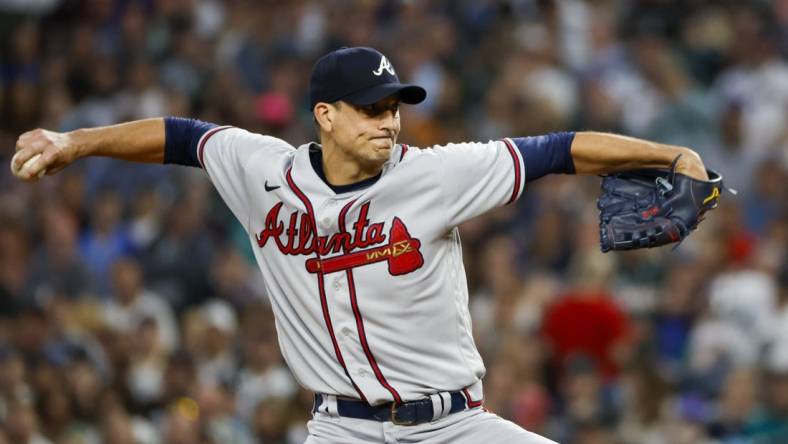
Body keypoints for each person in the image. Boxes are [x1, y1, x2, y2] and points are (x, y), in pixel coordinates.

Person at [12, 47, 709, 443]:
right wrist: (76, 142)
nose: (390, 121)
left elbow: (560, 149)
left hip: (453, 426)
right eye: (373, 109)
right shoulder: (266, 171)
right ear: (325, 116)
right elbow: (182, 136)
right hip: (341, 429)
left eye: (395, 106)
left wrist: (667, 151)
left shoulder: (436, 174)